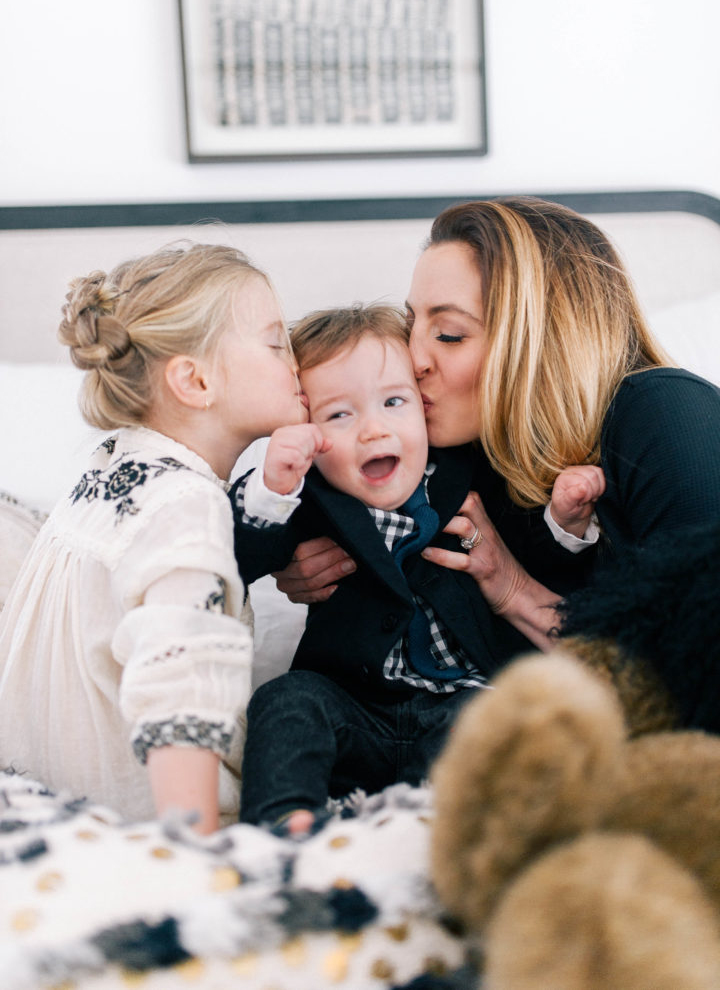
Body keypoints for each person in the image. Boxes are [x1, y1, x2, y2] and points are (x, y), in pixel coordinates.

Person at [270, 197, 720, 655]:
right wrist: (296, 555)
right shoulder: (450, 459)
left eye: (448, 334)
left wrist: (513, 591)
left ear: (543, 341)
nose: (414, 359)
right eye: (411, 327)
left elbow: (696, 667)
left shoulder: (669, 414)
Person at [232, 303, 602, 832]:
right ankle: (281, 831)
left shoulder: (471, 472)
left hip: (461, 701)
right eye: (340, 414)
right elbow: (239, 557)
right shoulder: (307, 495)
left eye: (394, 402)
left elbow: (532, 553)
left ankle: (471, 836)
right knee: (286, 701)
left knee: (514, 728)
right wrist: (268, 488)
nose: (373, 430)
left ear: (423, 406)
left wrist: (565, 519)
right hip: (353, 707)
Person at [0, 243, 306, 833]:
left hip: (46, 806)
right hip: (143, 827)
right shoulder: (185, 506)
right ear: (193, 380)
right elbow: (180, 691)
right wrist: (195, 850)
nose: (296, 362)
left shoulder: (108, 468)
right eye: (276, 343)